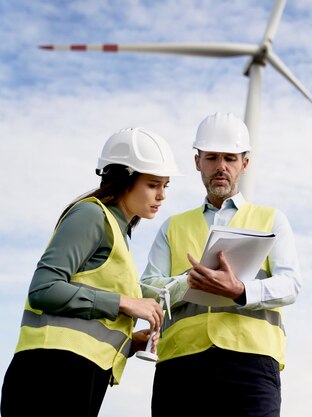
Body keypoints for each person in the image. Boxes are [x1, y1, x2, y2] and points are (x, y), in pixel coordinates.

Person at [0, 127, 183, 417]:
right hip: (49, 373)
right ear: (124, 179)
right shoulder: (91, 215)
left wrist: (132, 342)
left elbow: (87, 327)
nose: (161, 196)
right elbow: (43, 289)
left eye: (165, 186)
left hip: (80, 374)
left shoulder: (119, 232)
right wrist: (125, 302)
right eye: (152, 184)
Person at [140, 112, 302, 417]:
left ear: (245, 163)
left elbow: (290, 285)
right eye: (212, 157)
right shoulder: (172, 226)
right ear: (197, 161)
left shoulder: (271, 220)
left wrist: (240, 290)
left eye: (230, 158)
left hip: (251, 365)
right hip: (180, 365)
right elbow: (148, 288)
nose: (221, 167)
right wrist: (185, 282)